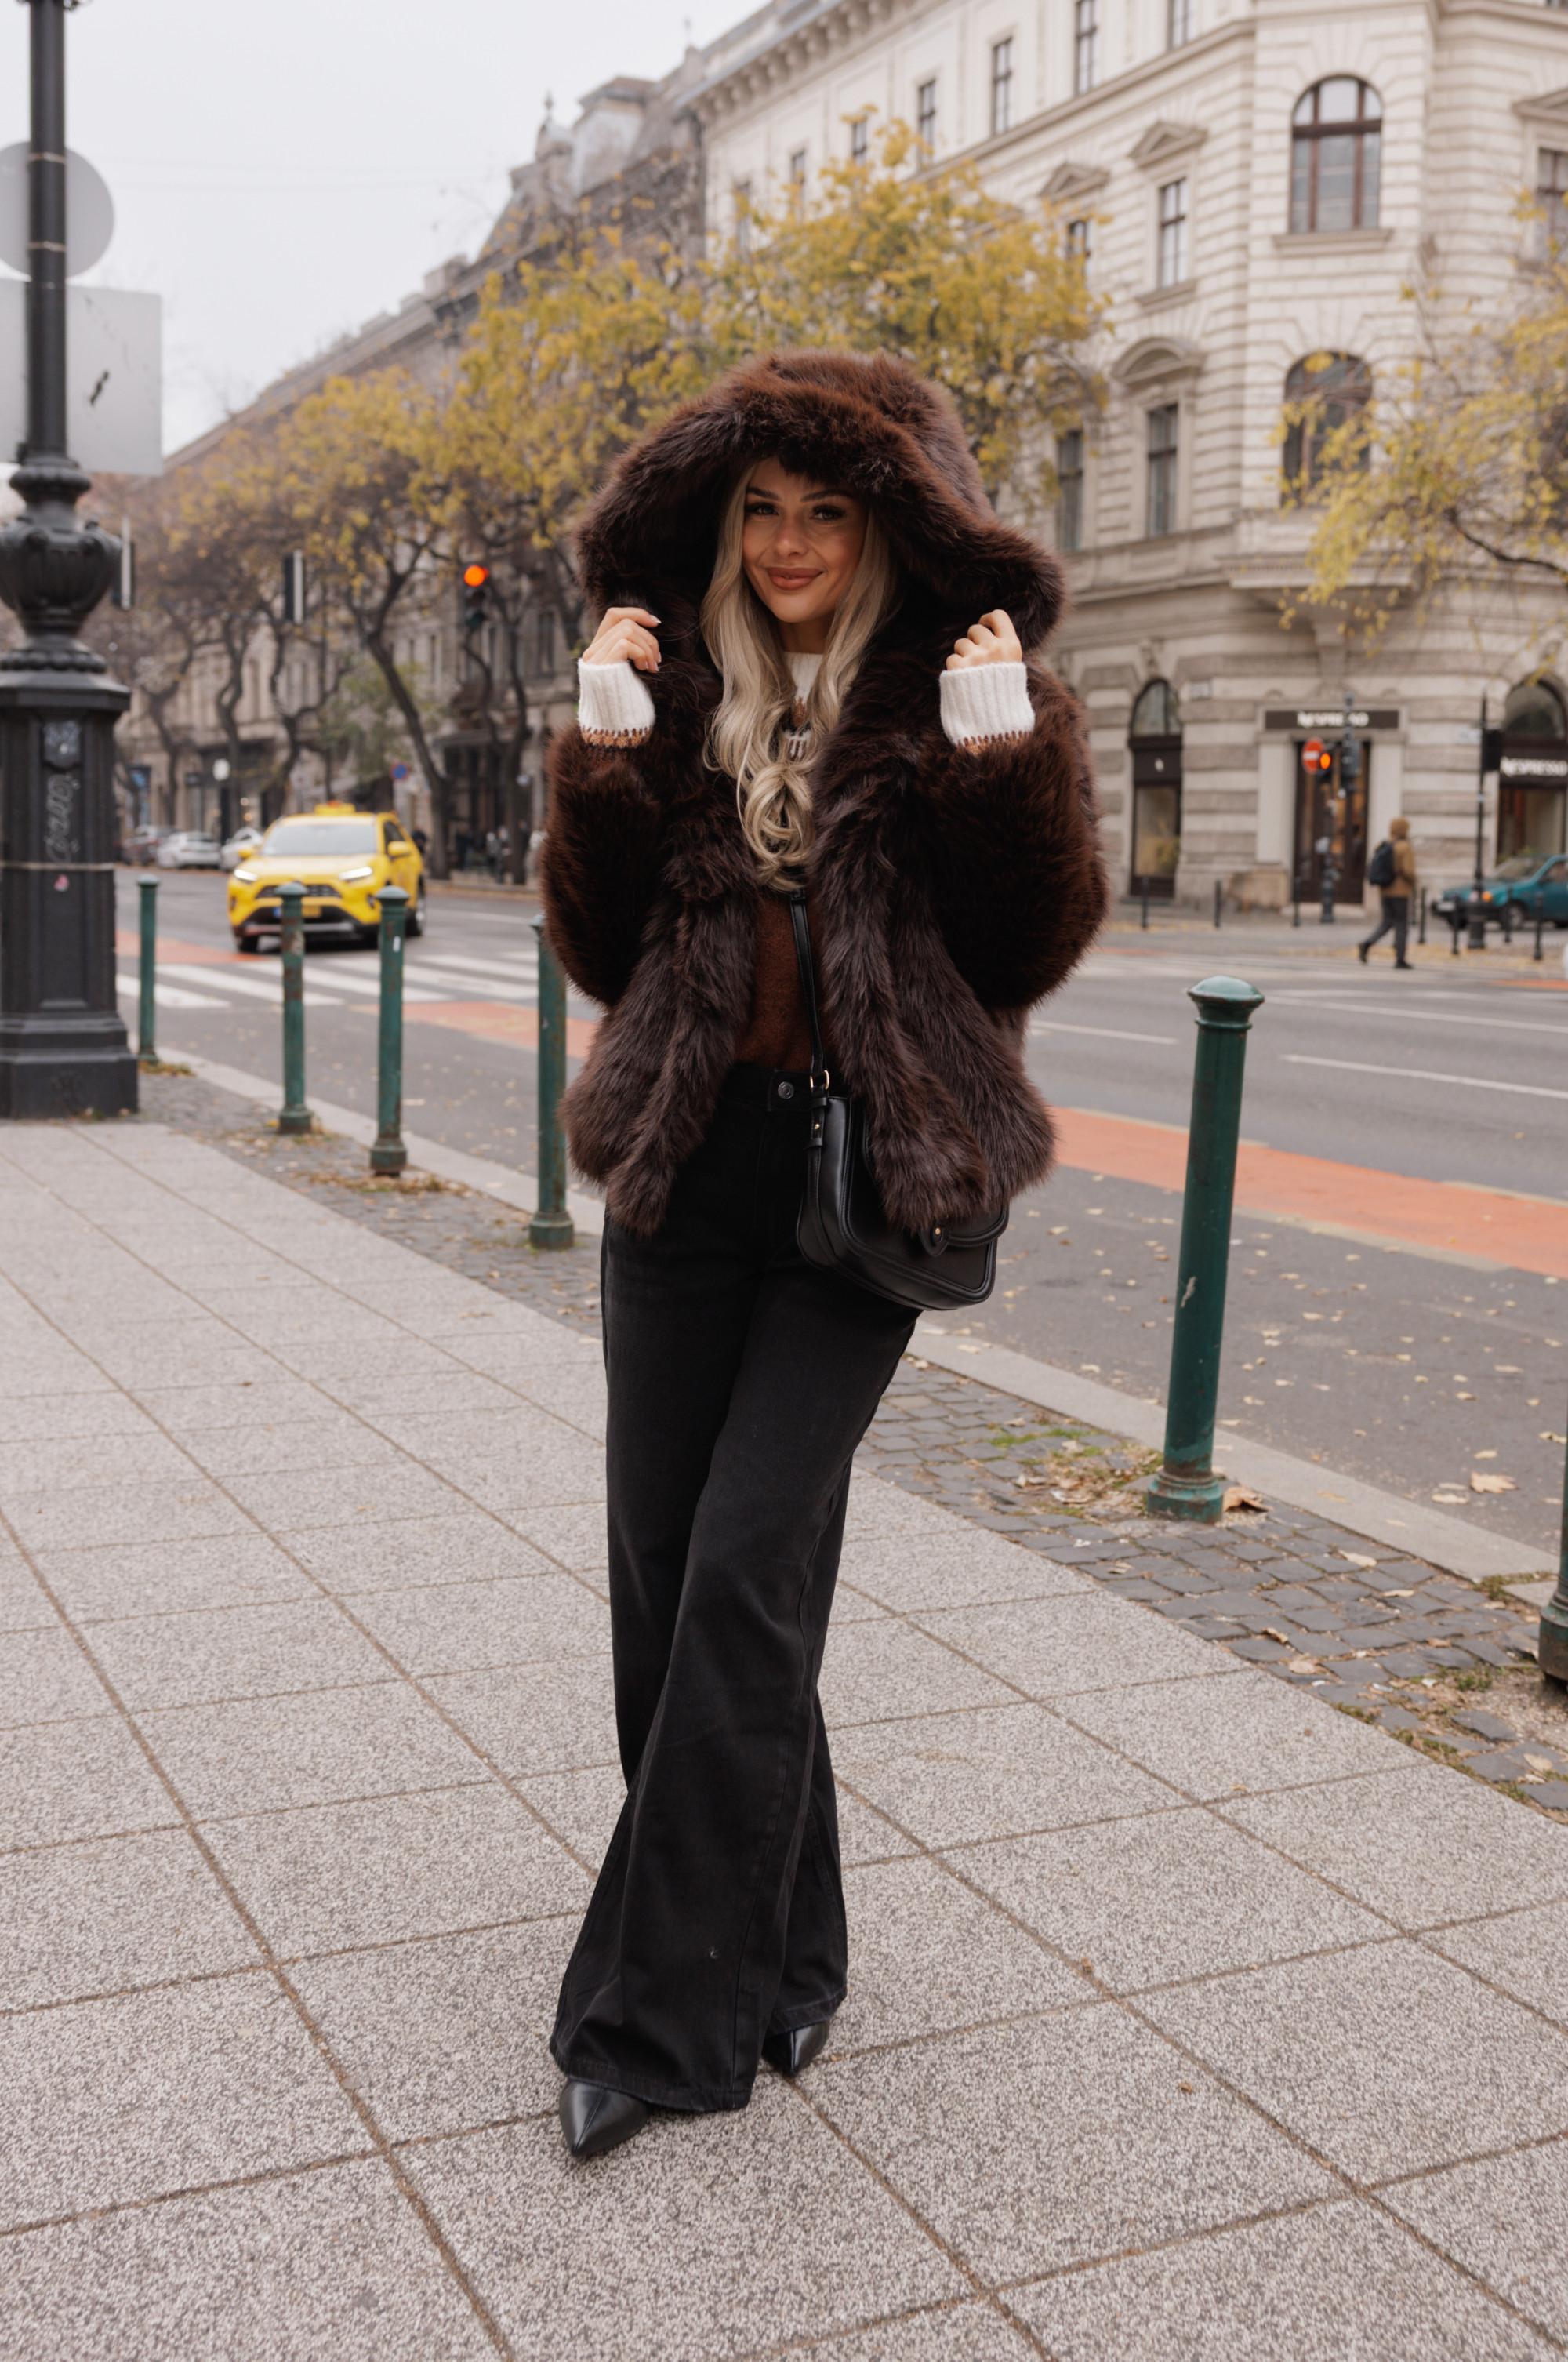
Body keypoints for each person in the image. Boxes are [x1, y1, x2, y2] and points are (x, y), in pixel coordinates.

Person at [539, 348, 1106, 2161]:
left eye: (828, 513)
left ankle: (657, 2018)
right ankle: (790, 1948)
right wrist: (604, 753)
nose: (789, 543)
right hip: (686, 1173)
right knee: (670, 1581)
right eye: (761, 512)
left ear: (885, 528)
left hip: (864, 1190)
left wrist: (1002, 756)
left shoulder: (961, 688)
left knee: (742, 1570)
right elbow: (602, 950)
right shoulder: (669, 680)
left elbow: (1023, 945)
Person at [1359, 813, 1417, 967]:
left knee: (1387, 922)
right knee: (1401, 925)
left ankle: (1367, 943)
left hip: (1385, 889)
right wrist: (1414, 881)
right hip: (1401, 891)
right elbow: (1408, 870)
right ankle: (1400, 958)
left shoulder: (1384, 845)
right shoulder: (1404, 847)